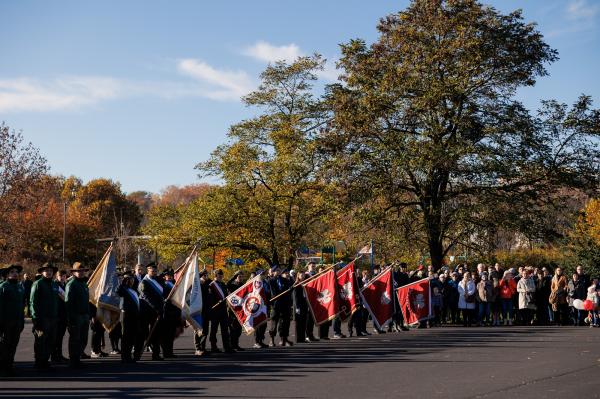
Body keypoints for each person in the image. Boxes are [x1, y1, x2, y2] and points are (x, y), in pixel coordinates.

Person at [30, 262, 60, 370]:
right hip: (42, 318)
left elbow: (57, 301)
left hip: (53, 318)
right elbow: (33, 302)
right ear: (42, 272)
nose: (48, 272)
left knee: (51, 341)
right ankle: (38, 362)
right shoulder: (37, 284)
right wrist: (35, 318)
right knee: (40, 341)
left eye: (51, 271)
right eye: (46, 270)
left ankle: (45, 361)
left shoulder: (54, 284)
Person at [0, 264, 25, 377]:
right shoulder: (3, 287)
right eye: (12, 272)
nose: (15, 274)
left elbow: (21, 306)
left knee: (13, 345)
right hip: (6, 322)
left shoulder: (19, 287)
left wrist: (22, 321)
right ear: (6, 275)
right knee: (5, 345)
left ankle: (9, 366)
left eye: (16, 272)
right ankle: (3, 368)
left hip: (17, 321)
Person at [64, 262, 90, 368]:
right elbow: (68, 303)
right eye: (78, 271)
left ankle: (78, 357)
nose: (81, 273)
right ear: (74, 272)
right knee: (75, 339)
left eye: (82, 271)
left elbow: (86, 301)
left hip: (84, 315)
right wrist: (70, 318)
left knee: (83, 338)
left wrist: (89, 314)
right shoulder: (71, 284)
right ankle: (73, 360)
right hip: (76, 316)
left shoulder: (83, 284)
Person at [138, 263, 165, 360]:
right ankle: (137, 353)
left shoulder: (158, 280)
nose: (154, 273)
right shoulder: (144, 282)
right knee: (143, 333)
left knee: (156, 333)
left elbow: (163, 293)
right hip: (146, 312)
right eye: (152, 271)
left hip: (156, 312)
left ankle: (156, 354)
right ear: (148, 271)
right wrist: (157, 307)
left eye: (155, 271)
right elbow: (146, 298)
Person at [117, 271, 141, 363]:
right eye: (127, 279)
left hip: (134, 315)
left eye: (131, 279)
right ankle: (125, 356)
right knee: (126, 336)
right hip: (126, 315)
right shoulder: (123, 289)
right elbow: (118, 291)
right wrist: (122, 283)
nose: (130, 281)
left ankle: (129, 355)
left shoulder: (133, 289)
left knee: (132, 336)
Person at [209, 269, 233, 353]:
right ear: (215, 276)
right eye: (219, 275)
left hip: (223, 310)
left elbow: (226, 295)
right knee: (214, 330)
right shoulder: (211, 285)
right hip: (215, 310)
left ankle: (226, 347)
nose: (221, 277)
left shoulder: (223, 284)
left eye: (221, 275)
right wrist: (215, 302)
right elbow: (210, 298)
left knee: (225, 330)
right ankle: (213, 347)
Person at [269, 267, 294, 345]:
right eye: (276, 271)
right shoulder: (270, 281)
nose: (278, 272)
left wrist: (290, 288)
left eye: (279, 270)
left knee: (285, 322)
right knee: (274, 322)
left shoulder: (285, 280)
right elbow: (272, 293)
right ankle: (271, 340)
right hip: (276, 305)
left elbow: (289, 290)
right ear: (273, 272)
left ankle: (284, 339)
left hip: (285, 304)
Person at [194, 269, 212, 356]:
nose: (206, 277)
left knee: (205, 330)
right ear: (201, 276)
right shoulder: (197, 285)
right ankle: (198, 348)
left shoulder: (208, 284)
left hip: (207, 310)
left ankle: (203, 347)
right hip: (199, 310)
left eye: (207, 275)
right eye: (205, 275)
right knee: (198, 329)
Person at [52, 269, 69, 363]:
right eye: (60, 276)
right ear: (57, 277)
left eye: (64, 276)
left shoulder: (65, 285)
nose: (62, 278)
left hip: (64, 315)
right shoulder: (55, 286)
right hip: (57, 315)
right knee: (56, 337)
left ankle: (59, 354)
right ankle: (55, 356)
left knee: (61, 336)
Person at [226, 271, 245, 351]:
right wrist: (234, 276)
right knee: (233, 328)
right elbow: (227, 284)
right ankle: (231, 345)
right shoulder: (232, 285)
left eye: (242, 277)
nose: (241, 278)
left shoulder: (242, 285)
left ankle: (236, 344)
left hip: (240, 310)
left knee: (239, 329)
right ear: (236, 277)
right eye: (239, 277)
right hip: (232, 310)